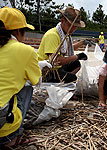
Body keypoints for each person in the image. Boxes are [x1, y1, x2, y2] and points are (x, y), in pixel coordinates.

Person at [0, 7, 50, 147]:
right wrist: (37, 65)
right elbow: (35, 80)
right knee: (26, 88)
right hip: (1, 126)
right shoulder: (25, 50)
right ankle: (11, 137)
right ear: (17, 31)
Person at [37, 6, 91, 83]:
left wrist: (82, 43)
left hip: (58, 68)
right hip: (47, 71)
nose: (73, 29)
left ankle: (63, 81)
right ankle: (61, 81)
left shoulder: (65, 35)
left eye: (75, 27)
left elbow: (67, 48)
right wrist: (77, 56)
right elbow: (56, 60)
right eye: (71, 26)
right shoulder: (53, 35)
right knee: (72, 78)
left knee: (76, 64)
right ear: (62, 21)